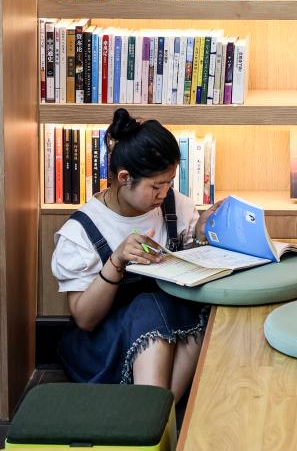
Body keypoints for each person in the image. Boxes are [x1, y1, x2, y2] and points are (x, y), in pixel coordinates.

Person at [52, 108, 221, 397]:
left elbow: (191, 276)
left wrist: (200, 237)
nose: (164, 193)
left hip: (172, 336)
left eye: (169, 182)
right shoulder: (82, 230)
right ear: (125, 177)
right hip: (106, 349)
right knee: (150, 307)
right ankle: (155, 408)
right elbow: (85, 319)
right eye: (156, 186)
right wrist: (116, 260)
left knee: (199, 312)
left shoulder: (176, 206)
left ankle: (154, 410)